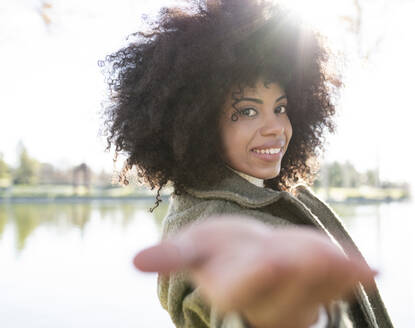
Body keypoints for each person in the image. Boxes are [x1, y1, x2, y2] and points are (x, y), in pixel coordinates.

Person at [101, 0, 394, 327]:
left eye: (281, 108)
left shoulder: (278, 193)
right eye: (247, 112)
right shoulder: (203, 224)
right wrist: (273, 310)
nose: (275, 127)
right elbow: (217, 303)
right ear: (198, 125)